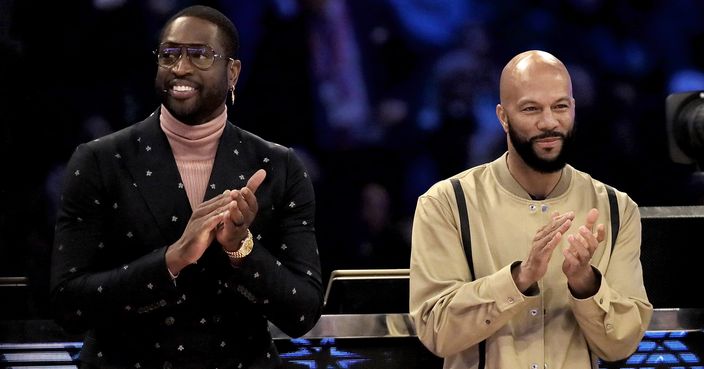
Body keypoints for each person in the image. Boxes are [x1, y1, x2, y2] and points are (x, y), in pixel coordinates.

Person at [50, 5, 323, 369]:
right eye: (169, 54)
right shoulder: (99, 161)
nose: (180, 68)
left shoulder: (279, 167)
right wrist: (172, 260)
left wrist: (241, 248)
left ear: (233, 73)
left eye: (200, 55)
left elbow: (303, 313)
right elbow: (68, 303)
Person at [409, 50, 653, 369]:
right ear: (502, 116)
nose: (549, 122)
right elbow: (435, 331)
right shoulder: (446, 204)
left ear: (574, 109)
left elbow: (622, 344)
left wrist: (585, 284)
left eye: (560, 107)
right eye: (530, 109)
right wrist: (519, 278)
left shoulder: (616, 208)